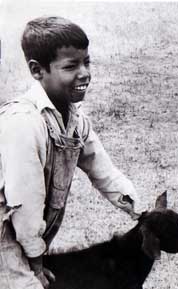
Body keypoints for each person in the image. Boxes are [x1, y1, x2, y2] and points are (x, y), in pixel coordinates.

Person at [0, 16, 140, 289]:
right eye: (70, 66)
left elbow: (104, 171)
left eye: (87, 62)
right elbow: (24, 203)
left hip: (22, 237)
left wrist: (142, 211)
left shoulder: (74, 120)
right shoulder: (23, 123)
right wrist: (36, 262)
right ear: (37, 70)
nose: (84, 73)